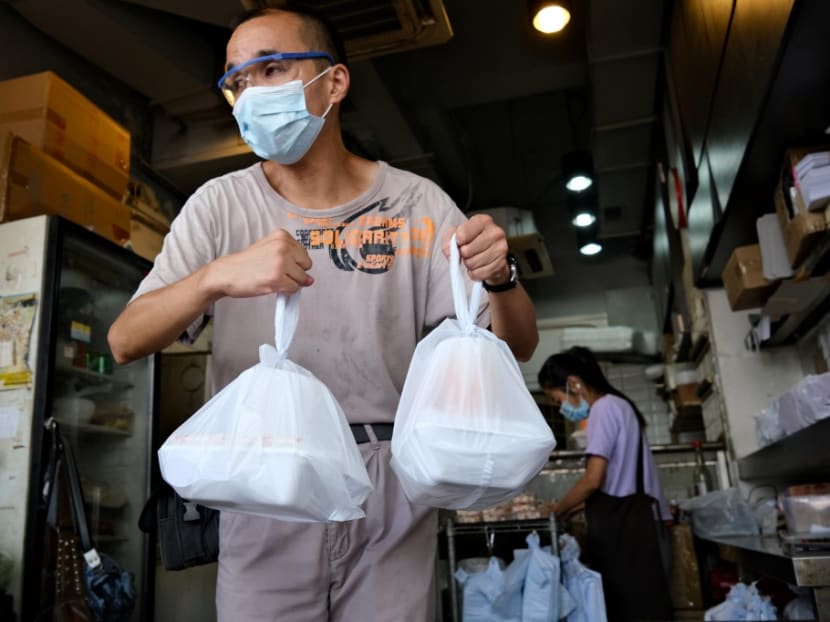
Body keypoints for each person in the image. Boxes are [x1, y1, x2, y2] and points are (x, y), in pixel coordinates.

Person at [108, 6, 538, 621]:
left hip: (389, 482)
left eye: (272, 69)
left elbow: (516, 345)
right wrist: (215, 276)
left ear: (333, 83)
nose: (251, 93)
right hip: (262, 478)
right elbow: (124, 339)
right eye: (237, 81)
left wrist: (502, 276)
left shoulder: (418, 205)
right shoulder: (218, 207)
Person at [538, 346, 673, 622]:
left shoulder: (602, 409)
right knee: (647, 605)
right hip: (638, 522)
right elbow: (615, 482)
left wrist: (558, 510)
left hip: (626, 531)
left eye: (556, 399)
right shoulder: (620, 406)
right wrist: (570, 509)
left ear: (573, 383)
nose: (560, 409)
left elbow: (593, 479)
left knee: (631, 607)